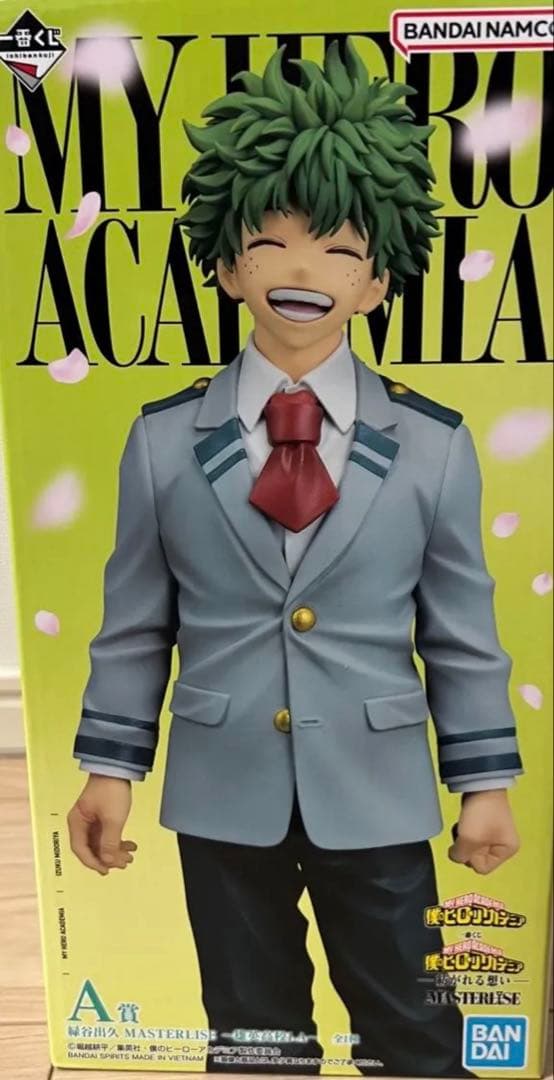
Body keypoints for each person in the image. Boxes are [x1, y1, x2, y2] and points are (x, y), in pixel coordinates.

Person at [67, 38, 522, 1078]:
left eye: (339, 250)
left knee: (415, 1032)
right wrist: (109, 769)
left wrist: (483, 780)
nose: (302, 272)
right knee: (251, 1034)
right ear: (228, 266)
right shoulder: (160, 441)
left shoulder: (433, 445)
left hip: (378, 786)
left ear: (378, 280)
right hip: (221, 786)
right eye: (269, 244)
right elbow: (135, 624)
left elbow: (460, 631)